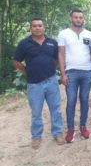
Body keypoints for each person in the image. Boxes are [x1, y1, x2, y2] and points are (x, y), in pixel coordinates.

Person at [13, 18, 64, 149]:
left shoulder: (52, 42)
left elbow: (58, 59)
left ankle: (57, 133)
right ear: (30, 28)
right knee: (36, 112)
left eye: (40, 25)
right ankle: (36, 136)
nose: (37, 28)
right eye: (34, 26)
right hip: (34, 84)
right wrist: (28, 71)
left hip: (52, 81)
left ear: (44, 27)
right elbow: (16, 62)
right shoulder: (24, 43)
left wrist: (53, 68)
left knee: (56, 110)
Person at [58, 9, 91, 143]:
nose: (78, 19)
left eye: (80, 17)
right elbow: (61, 54)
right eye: (76, 17)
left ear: (83, 19)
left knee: (85, 99)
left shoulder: (90, 34)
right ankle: (70, 129)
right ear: (71, 18)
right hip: (71, 72)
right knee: (71, 100)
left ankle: (83, 126)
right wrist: (63, 74)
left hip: (87, 72)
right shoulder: (64, 34)